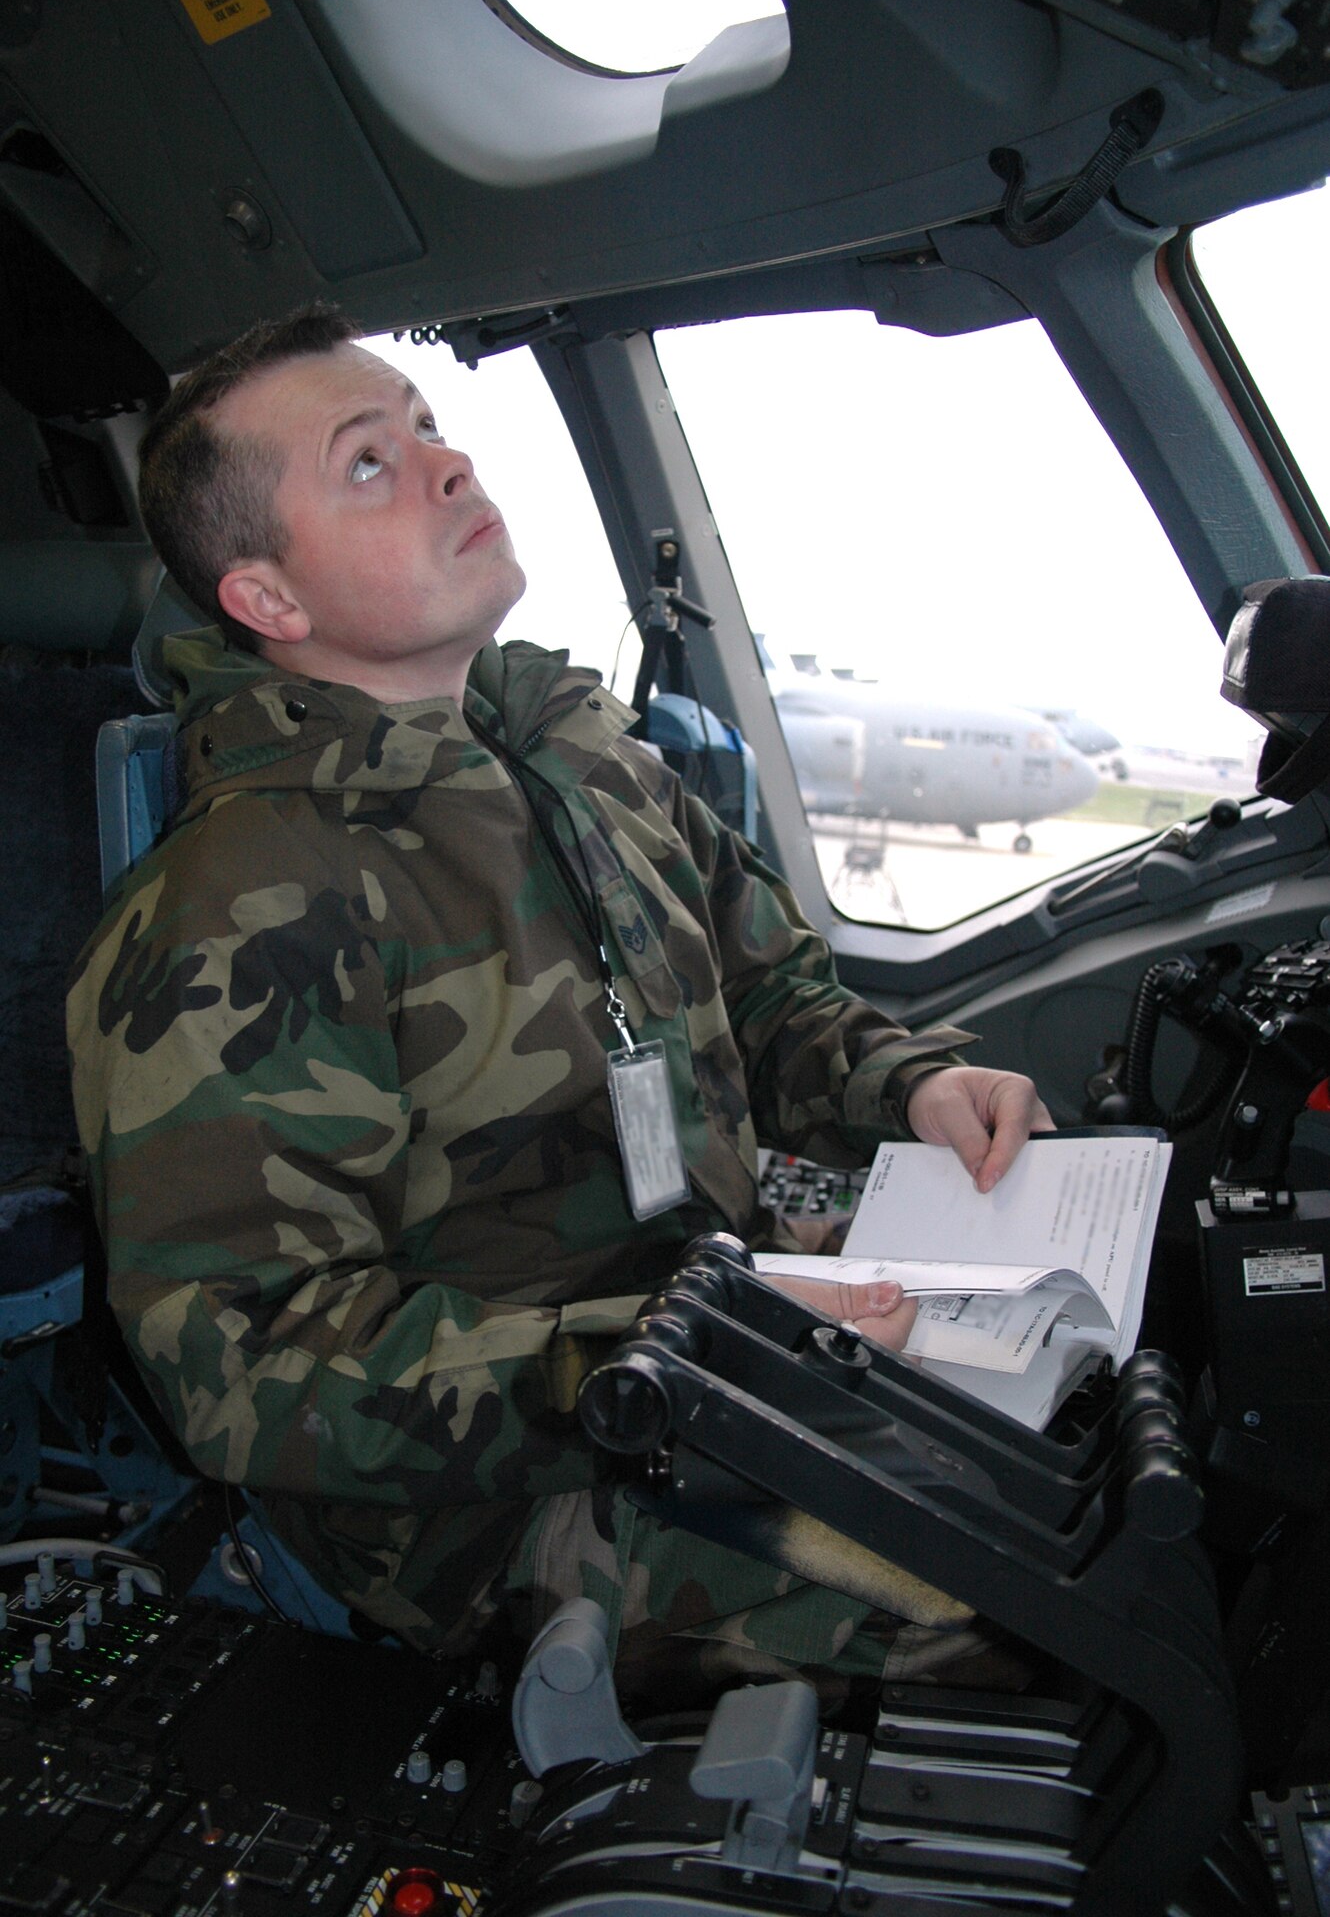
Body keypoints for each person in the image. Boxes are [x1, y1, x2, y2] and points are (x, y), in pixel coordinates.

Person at [67, 305, 1052, 1695]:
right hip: (486, 1496)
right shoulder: (238, 908)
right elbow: (248, 1365)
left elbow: (772, 997)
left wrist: (907, 1082)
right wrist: (680, 1360)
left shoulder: (582, 760)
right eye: (368, 463)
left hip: (716, 1332)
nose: (447, 464)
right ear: (268, 601)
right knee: (1017, 1612)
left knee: (1096, 1462)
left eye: (426, 426)